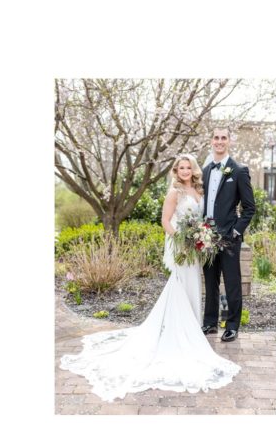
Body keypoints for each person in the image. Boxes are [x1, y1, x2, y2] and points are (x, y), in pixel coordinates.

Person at [60, 154, 241, 402]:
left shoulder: (198, 188)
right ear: (176, 170)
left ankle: (190, 326)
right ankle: (180, 331)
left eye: (189, 167)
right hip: (181, 245)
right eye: (181, 167)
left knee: (193, 284)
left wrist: (199, 237)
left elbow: (202, 218)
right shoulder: (174, 191)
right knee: (181, 283)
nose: (186, 170)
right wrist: (182, 238)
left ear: (193, 169)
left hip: (195, 246)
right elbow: (165, 221)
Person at [200, 127, 256, 343]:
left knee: (232, 283)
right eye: (216, 137)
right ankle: (210, 322)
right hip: (206, 237)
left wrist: (235, 231)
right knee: (210, 281)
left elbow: (250, 207)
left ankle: (232, 326)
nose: (219, 141)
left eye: (224, 138)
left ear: (229, 141)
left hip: (229, 238)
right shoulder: (205, 170)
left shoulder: (239, 171)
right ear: (211, 141)